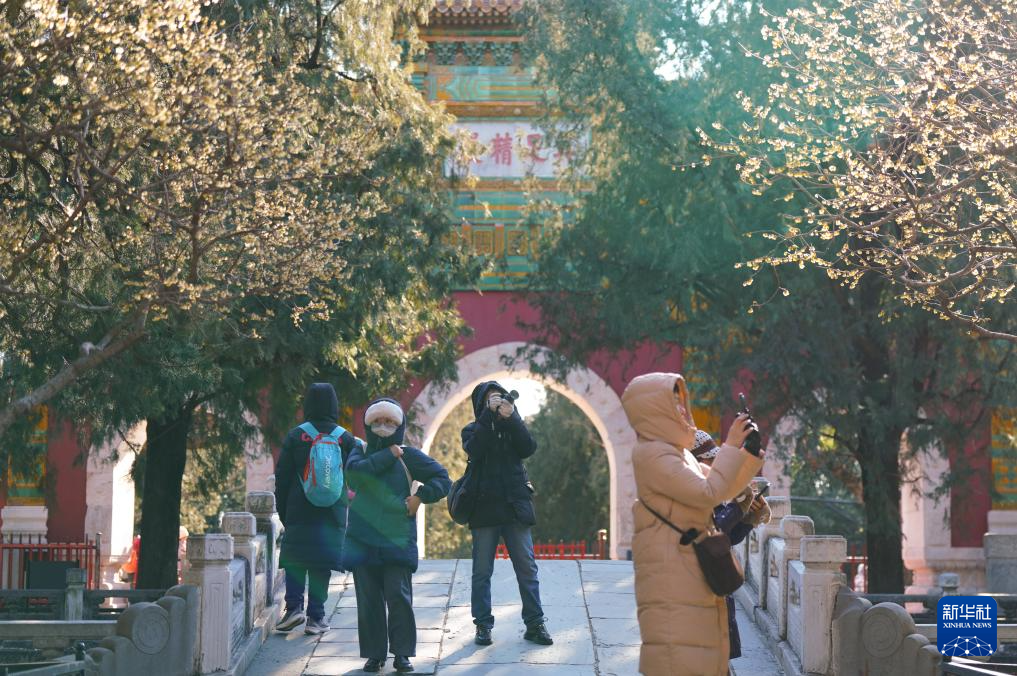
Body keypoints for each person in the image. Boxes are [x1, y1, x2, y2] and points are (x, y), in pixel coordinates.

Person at [622, 373, 764, 676]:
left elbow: (724, 488)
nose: (682, 410)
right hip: (673, 577)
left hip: (689, 572)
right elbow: (708, 493)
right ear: (655, 411)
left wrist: (748, 454)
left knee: (698, 657)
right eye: (672, 404)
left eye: (681, 402)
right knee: (679, 658)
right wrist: (731, 444)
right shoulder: (652, 454)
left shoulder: (680, 454)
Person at [344, 398, 452, 674]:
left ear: (399, 425)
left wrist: (420, 496)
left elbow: (443, 479)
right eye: (377, 421)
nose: (383, 426)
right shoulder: (360, 451)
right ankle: (374, 655)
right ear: (369, 425)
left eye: (390, 422)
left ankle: (402, 654)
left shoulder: (408, 456)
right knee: (368, 602)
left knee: (399, 598)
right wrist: (387, 454)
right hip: (363, 539)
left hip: (397, 540)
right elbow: (354, 476)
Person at [462, 381, 553, 647]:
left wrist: (511, 418)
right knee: (482, 571)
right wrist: (488, 417)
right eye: (490, 399)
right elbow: (474, 449)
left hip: (515, 507)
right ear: (480, 405)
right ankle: (483, 626)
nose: (497, 402)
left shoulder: (513, 426)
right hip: (484, 508)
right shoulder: (472, 429)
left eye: (499, 397)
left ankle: (535, 624)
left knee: (527, 568)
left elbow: (528, 448)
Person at [274, 383, 359, 635]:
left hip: (298, 510)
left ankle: (293, 609)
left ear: (307, 404)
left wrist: (284, 513)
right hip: (332, 512)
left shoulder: (296, 436)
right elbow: (356, 478)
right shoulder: (345, 438)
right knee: (321, 564)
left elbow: (282, 478)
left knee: (296, 559)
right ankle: (316, 617)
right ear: (334, 405)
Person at [691, 431, 770, 662]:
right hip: (696, 587)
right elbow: (710, 533)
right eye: (710, 460)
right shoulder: (689, 490)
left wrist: (748, 519)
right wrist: (738, 507)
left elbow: (727, 537)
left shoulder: (709, 490)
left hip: (716, 583)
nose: (715, 466)